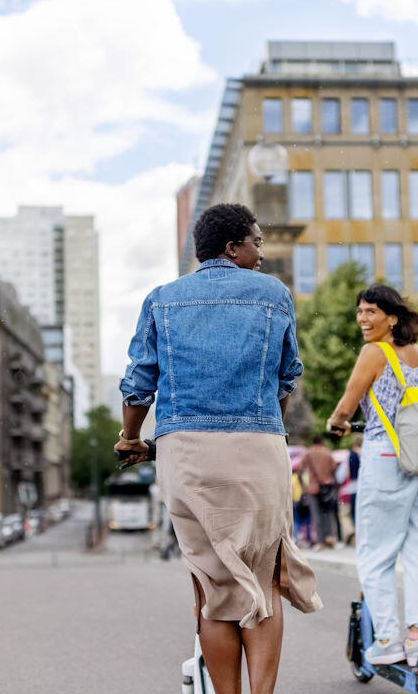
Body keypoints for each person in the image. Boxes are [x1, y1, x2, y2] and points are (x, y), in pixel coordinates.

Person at [117, 203, 322, 694]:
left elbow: (138, 386)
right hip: (258, 449)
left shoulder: (163, 299)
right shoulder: (274, 296)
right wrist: (262, 417)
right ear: (232, 247)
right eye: (256, 242)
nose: (261, 254)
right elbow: (286, 376)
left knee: (212, 587)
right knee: (263, 581)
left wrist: (131, 439)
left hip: (186, 453)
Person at [326, 284, 418, 668]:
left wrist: (337, 423)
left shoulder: (375, 353)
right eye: (359, 312)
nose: (362, 319)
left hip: (387, 458)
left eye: (371, 311)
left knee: (376, 554)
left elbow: (347, 404)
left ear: (391, 317)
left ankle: (387, 639)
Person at [303, 435, 339, 548]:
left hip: (313, 488)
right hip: (327, 487)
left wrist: (304, 486)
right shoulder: (328, 453)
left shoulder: (308, 454)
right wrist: (335, 486)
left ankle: (320, 541)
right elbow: (334, 470)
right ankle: (330, 537)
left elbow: (299, 470)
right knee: (328, 513)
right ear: (322, 442)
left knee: (316, 514)